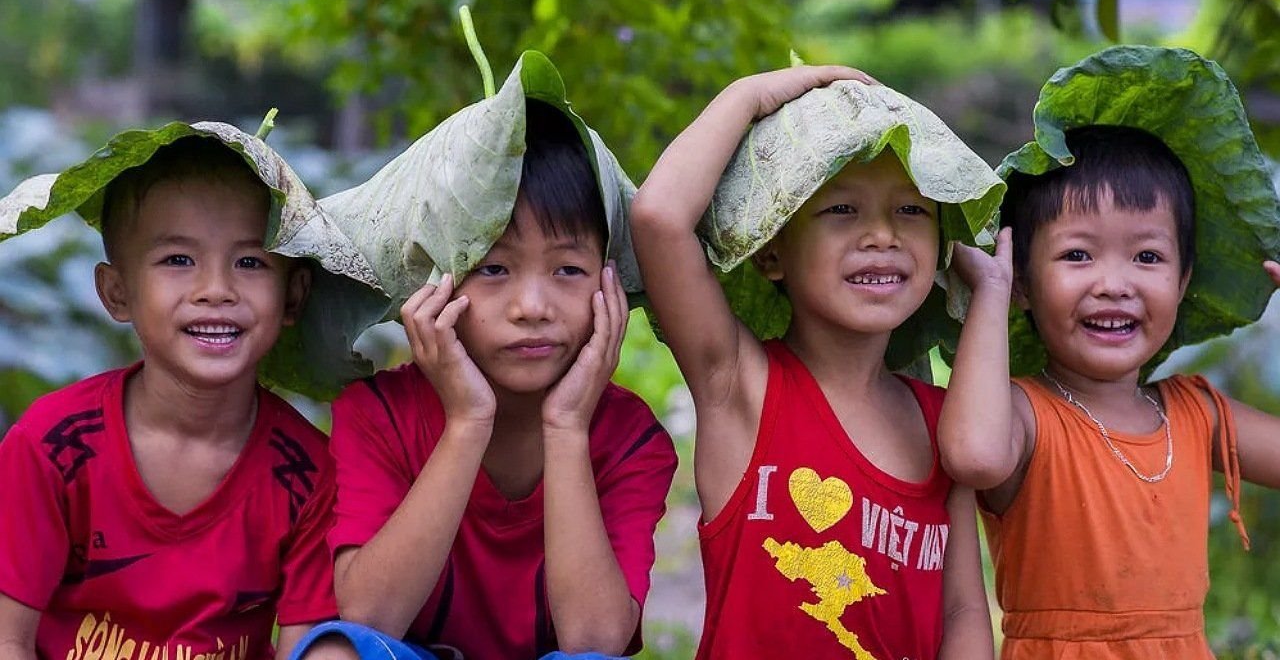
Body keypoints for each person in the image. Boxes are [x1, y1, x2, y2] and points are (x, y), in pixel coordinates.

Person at [631, 65, 997, 659]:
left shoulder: (944, 425)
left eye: (911, 211)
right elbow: (659, 219)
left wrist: (992, 291)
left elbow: (962, 613)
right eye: (841, 211)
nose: (882, 235)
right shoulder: (740, 386)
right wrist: (752, 95)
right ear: (771, 253)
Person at [293, 97, 677, 660]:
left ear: (610, 285)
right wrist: (468, 421)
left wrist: (567, 425)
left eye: (568, 270)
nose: (531, 306)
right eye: (493, 268)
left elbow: (595, 643)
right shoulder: (379, 414)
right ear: (432, 283)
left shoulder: (629, 438)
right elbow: (371, 618)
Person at [938, 45, 1280, 658]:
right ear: (1023, 283)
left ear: (1183, 281)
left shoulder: (1194, 414)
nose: (1114, 283)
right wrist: (988, 289)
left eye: (1147, 257)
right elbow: (975, 456)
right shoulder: (1025, 415)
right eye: (1077, 255)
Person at [0, 133, 338, 660]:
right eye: (178, 259)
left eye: (250, 263)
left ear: (293, 294)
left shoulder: (308, 474)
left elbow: (308, 649)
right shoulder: (52, 447)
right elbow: (7, 640)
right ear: (116, 293)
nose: (216, 290)